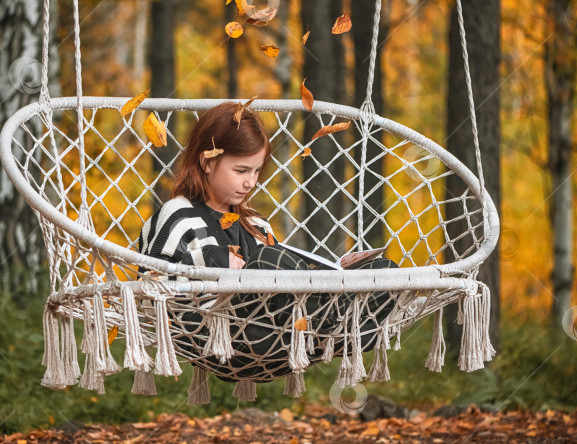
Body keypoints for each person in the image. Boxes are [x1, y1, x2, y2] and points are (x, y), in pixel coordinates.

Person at [137, 102, 397, 381]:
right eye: (241, 170)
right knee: (269, 261)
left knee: (386, 270)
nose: (250, 182)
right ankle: (333, 324)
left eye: (257, 171)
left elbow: (281, 292)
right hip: (217, 339)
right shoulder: (177, 214)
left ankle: (333, 329)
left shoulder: (256, 224)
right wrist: (217, 263)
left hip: (279, 339)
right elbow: (151, 289)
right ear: (207, 162)